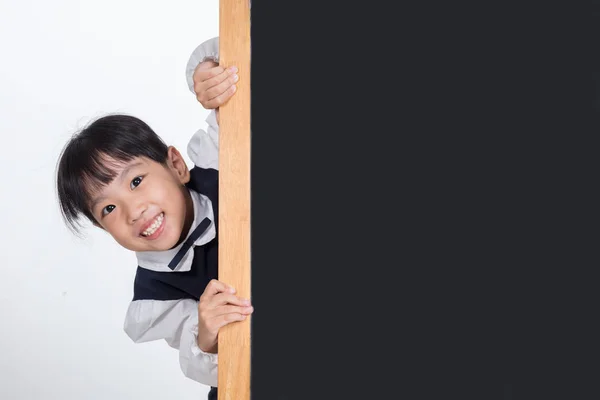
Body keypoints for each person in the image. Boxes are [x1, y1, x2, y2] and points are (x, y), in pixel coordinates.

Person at [55, 37, 246, 400]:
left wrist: (206, 73)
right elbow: (209, 369)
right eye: (108, 209)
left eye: (137, 181)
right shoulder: (155, 294)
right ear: (101, 227)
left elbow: (243, 43)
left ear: (175, 165)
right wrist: (206, 334)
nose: (134, 210)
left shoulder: (218, 161)